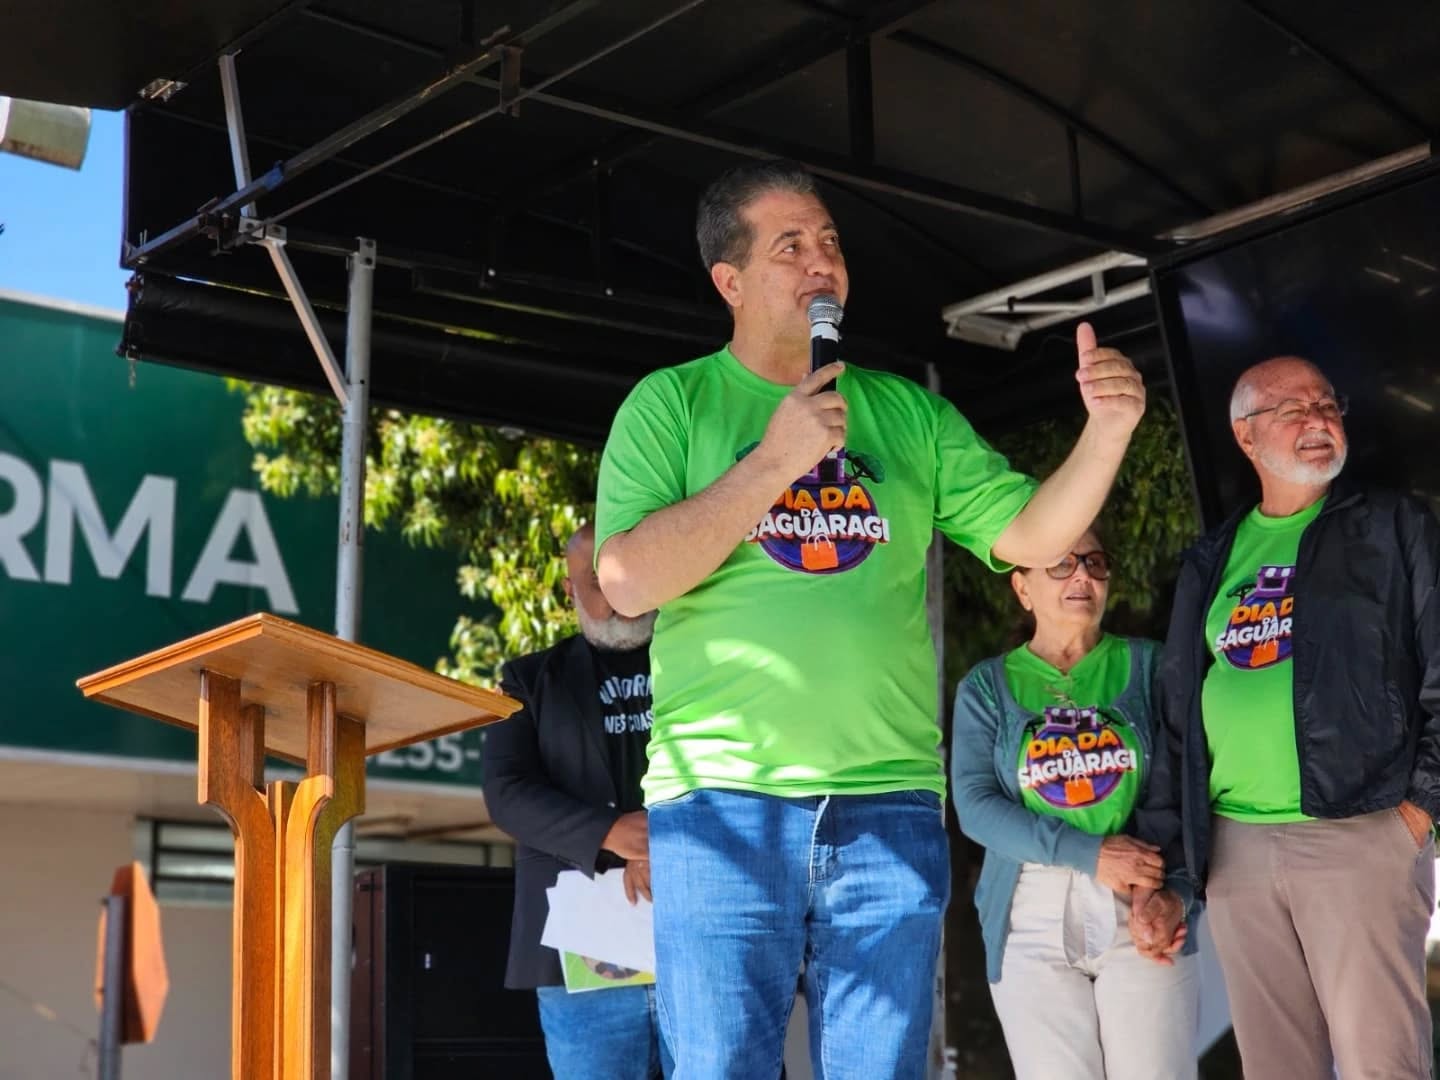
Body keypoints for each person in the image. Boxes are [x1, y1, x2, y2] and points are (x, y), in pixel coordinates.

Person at [592, 158, 1147, 1078]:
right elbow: (626, 581)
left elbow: (1029, 536)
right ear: (730, 281)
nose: (822, 261)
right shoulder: (672, 402)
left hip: (887, 804)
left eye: (831, 243)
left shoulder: (907, 413)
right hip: (723, 804)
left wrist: (1108, 433)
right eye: (790, 247)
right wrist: (773, 463)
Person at [1139, 355, 1440, 1079]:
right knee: (1275, 1067)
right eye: (1295, 409)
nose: (1319, 420)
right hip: (1236, 846)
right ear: (1246, 436)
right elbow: (1179, 713)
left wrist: (1418, 809)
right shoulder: (1212, 556)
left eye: (1328, 405)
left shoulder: (1393, 526)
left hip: (1360, 830)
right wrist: (1175, 863)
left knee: (1381, 1063)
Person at [951, 525, 1198, 1079]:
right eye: (1061, 562)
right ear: (1022, 587)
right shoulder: (987, 687)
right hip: (1028, 912)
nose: (1082, 574)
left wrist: (1177, 894)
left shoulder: (1152, 667)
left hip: (1142, 898)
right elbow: (975, 804)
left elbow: (1186, 790)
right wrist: (1089, 853)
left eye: (1094, 561)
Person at [481, 524, 671, 1080]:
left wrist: (661, 841)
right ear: (569, 590)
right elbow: (506, 792)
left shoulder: (704, 667)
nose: (616, 595)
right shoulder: (527, 679)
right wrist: (613, 834)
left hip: (699, 940)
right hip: (584, 959)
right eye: (596, 580)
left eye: (628, 574)